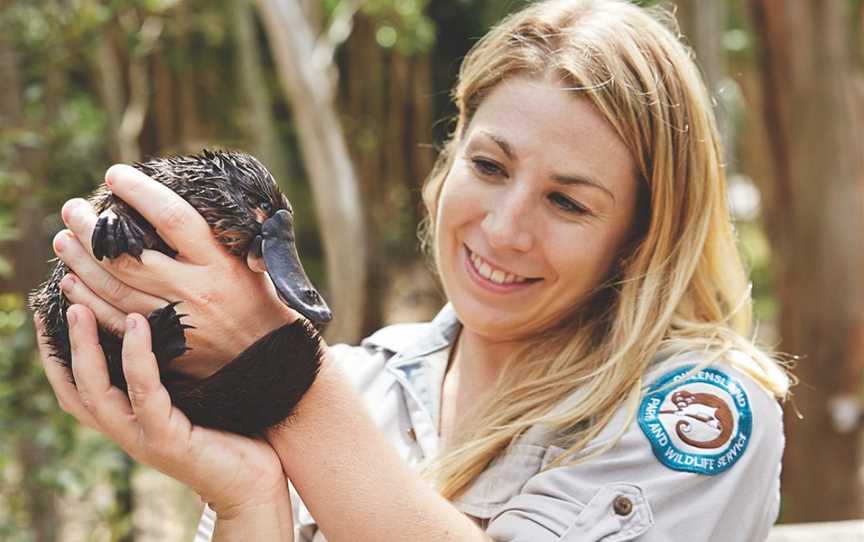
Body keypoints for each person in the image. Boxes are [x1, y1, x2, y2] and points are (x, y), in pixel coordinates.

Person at [35, 0, 792, 540]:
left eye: (567, 202)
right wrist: (247, 496)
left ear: (640, 234)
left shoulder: (697, 417)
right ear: (447, 159)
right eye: (489, 166)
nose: (503, 228)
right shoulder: (358, 382)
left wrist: (282, 373)